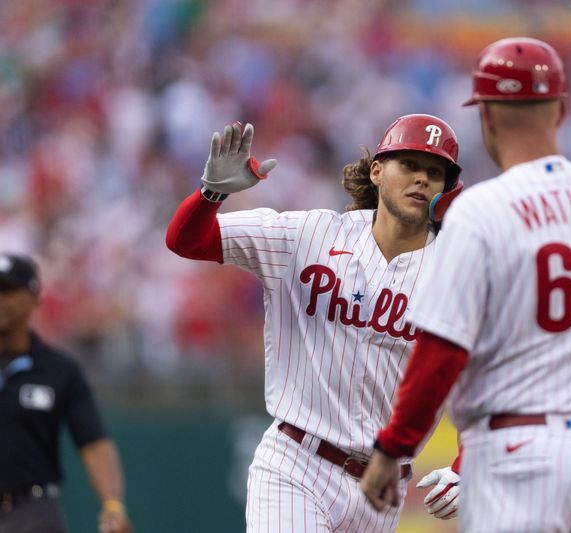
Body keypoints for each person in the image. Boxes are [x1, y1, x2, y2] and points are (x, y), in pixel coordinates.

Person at [360, 0, 571, 531]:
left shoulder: (480, 212)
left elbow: (442, 352)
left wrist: (393, 448)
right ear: (561, 111)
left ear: (484, 115)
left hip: (518, 451)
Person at [165, 114, 465, 532]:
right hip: (296, 463)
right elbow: (187, 240)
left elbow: (490, 381)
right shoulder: (309, 235)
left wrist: (466, 467)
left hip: (382, 489)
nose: (421, 179)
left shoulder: (455, 274)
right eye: (409, 165)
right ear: (377, 171)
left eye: (435, 172)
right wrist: (210, 194)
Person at [0, 253, 133, 533]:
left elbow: (93, 442)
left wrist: (112, 504)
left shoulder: (58, 370)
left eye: (8, 290)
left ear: (35, 297)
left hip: (31, 512)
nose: (1, 300)